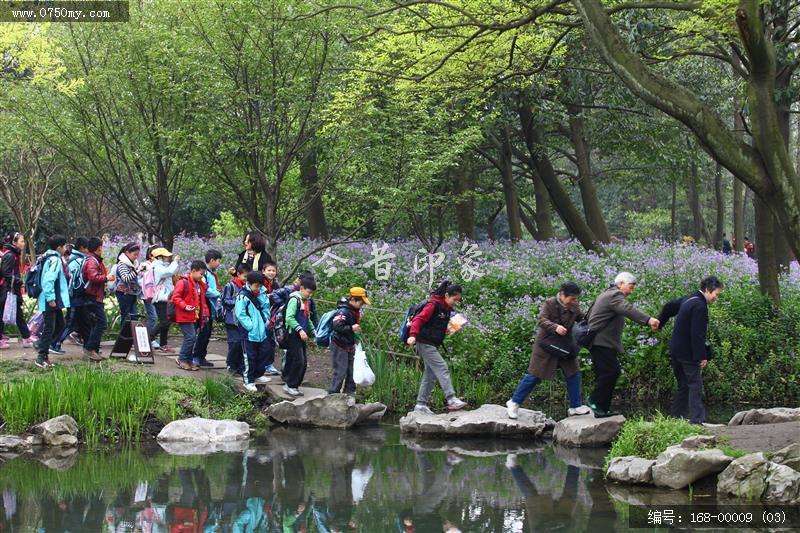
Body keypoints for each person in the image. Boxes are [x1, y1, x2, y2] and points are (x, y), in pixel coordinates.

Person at [506, 281, 592, 419]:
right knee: (534, 376)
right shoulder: (549, 303)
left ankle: (575, 406)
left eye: (576, 298)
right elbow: (541, 320)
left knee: (573, 373)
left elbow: (582, 318)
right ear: (563, 295)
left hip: (564, 346)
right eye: (572, 298)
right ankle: (514, 402)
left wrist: (594, 318)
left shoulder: (574, 305)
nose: (574, 301)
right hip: (547, 346)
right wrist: (555, 327)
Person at [586, 272, 659, 417]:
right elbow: (627, 309)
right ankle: (594, 400)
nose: (631, 292)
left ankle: (602, 409)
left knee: (606, 373)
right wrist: (648, 320)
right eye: (630, 288)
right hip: (601, 342)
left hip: (600, 342)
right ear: (620, 284)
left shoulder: (606, 294)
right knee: (612, 372)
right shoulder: (614, 295)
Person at [658, 276, 723, 424]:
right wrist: (702, 356)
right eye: (716, 294)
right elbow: (697, 334)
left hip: (676, 350)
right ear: (708, 290)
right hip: (687, 353)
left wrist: (660, 322)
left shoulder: (688, 299)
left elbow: (669, 307)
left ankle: (675, 418)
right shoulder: (700, 306)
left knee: (684, 385)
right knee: (695, 385)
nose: (716, 298)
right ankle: (696, 421)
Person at [407, 281, 467, 414]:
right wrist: (413, 335)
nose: (455, 302)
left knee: (431, 373)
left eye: (458, 300)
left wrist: (450, 329)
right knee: (441, 367)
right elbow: (418, 320)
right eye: (454, 299)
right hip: (424, 342)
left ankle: (420, 405)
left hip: (432, 344)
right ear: (446, 295)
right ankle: (451, 399)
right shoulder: (433, 305)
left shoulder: (445, 309)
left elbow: (436, 325)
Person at [35, 235, 71, 368]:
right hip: (49, 300)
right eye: (65, 245)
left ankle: (41, 345)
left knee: (61, 325)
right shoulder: (55, 260)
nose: (66, 248)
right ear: (59, 247)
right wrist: (50, 299)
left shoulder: (46, 257)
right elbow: (48, 280)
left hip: (51, 299)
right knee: (50, 328)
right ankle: (41, 357)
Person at [234, 271, 272, 392]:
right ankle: (248, 380)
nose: (258, 288)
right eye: (256, 286)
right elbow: (240, 314)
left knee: (263, 353)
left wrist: (266, 321)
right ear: (249, 284)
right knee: (249, 356)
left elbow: (266, 307)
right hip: (249, 332)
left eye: (260, 286)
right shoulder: (242, 296)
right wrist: (250, 326)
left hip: (262, 331)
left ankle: (258, 374)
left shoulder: (262, 294)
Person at [328, 287, 370, 395]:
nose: (362, 306)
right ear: (354, 300)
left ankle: (349, 394)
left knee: (352, 370)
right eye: (361, 303)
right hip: (339, 344)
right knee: (340, 371)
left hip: (349, 344)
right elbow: (336, 327)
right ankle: (332, 395)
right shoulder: (343, 311)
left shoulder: (354, 311)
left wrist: (355, 338)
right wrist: (351, 328)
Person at [52, 237, 91, 352]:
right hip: (76, 297)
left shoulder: (74, 259)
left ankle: (89, 347)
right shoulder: (78, 261)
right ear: (83, 248)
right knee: (70, 323)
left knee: (82, 323)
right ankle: (55, 343)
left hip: (77, 298)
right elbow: (72, 282)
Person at [0, 232, 36, 349]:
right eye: (21, 241)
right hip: (7, 290)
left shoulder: (12, 254)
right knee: (2, 315)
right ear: (14, 243)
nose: (23, 243)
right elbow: (6, 272)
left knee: (18, 314)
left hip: (11, 290)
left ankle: (26, 338)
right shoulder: (10, 255)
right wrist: (18, 281)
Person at [282, 276, 317, 396]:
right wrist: (300, 330)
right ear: (302, 288)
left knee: (298, 360)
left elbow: (307, 318)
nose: (310, 295)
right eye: (309, 292)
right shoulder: (295, 299)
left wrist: (313, 331)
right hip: (293, 334)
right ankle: (292, 385)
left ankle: (291, 384)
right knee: (299, 361)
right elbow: (289, 317)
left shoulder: (305, 301)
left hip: (301, 335)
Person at [172, 260, 209, 371]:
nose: (202, 276)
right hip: (185, 315)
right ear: (193, 271)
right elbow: (176, 297)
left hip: (195, 316)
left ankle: (188, 360)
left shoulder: (199, 285)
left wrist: (205, 313)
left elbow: (202, 302)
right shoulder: (183, 282)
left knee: (192, 338)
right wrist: (185, 306)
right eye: (201, 274)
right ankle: (182, 359)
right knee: (190, 337)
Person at [81, 237, 113, 362]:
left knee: (96, 323)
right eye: (102, 246)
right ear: (98, 248)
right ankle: (89, 349)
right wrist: (107, 278)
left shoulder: (92, 260)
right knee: (101, 322)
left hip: (94, 296)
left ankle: (93, 350)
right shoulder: (92, 261)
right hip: (92, 296)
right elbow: (93, 277)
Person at [192, 249, 222, 368]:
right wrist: (218, 294)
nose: (219, 263)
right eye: (218, 261)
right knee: (203, 332)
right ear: (212, 260)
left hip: (210, 306)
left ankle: (202, 356)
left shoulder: (211, 274)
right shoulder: (205, 274)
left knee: (207, 332)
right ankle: (196, 356)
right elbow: (206, 289)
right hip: (205, 305)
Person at [148, 248, 179, 354]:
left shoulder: (160, 266)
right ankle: (149, 337)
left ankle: (163, 344)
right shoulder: (157, 267)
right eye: (166, 256)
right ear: (159, 257)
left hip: (165, 297)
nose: (168, 258)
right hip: (160, 298)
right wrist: (175, 262)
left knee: (166, 321)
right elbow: (169, 272)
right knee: (165, 321)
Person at [222, 264, 250, 375]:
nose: (246, 280)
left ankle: (240, 366)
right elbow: (225, 300)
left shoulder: (247, 287)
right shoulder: (230, 286)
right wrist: (239, 303)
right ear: (238, 274)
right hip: (231, 320)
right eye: (245, 277)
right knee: (234, 343)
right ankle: (231, 364)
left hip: (242, 321)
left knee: (242, 343)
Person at [114, 242, 141, 326]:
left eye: (137, 255)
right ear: (127, 253)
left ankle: (132, 337)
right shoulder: (122, 264)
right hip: (123, 294)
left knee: (134, 316)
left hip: (132, 293)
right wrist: (137, 271)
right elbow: (125, 278)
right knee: (126, 317)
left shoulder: (133, 264)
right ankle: (124, 337)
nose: (136, 257)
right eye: (134, 254)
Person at [141, 245, 160, 347]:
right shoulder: (145, 265)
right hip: (148, 295)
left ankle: (151, 338)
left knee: (156, 316)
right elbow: (141, 280)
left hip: (157, 295)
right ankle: (150, 339)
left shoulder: (158, 265)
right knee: (153, 316)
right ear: (150, 255)